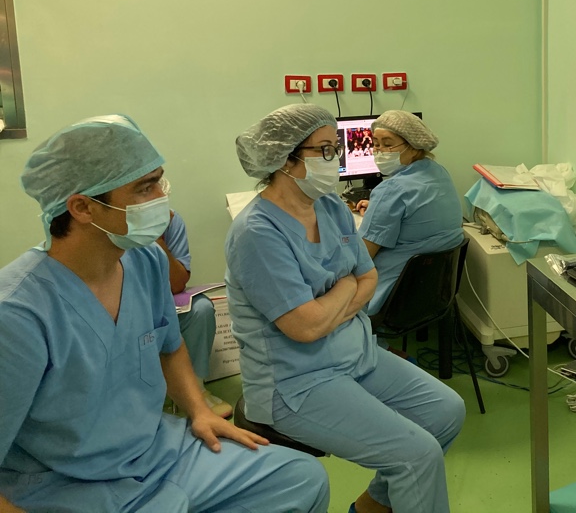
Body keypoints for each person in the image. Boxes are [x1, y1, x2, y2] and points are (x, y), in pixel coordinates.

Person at [0, 114, 328, 513]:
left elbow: (169, 347)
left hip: (155, 450)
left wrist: (199, 411)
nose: (161, 197)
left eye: (159, 181)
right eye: (145, 187)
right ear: (83, 207)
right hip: (67, 485)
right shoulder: (17, 312)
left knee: (300, 479)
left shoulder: (146, 260)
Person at [225, 104, 466, 513]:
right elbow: (305, 327)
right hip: (297, 382)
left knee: (447, 412)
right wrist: (347, 286)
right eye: (324, 150)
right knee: (417, 455)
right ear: (285, 160)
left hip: (356, 354)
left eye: (334, 148)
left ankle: (370, 507)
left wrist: (339, 296)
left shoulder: (331, 207)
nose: (334, 159)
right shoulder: (257, 232)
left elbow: (368, 278)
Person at [355, 110, 464, 315]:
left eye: (388, 144)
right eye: (376, 144)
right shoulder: (438, 172)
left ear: (413, 147)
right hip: (434, 292)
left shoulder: (391, 190)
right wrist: (379, 209)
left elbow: (362, 257)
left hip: (392, 294)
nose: (379, 151)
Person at [156, 181, 233, 418]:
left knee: (201, 309)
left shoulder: (172, 222)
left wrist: (157, 239)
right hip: (125, 304)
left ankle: (195, 390)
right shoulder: (111, 227)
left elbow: (177, 283)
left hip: (165, 299)